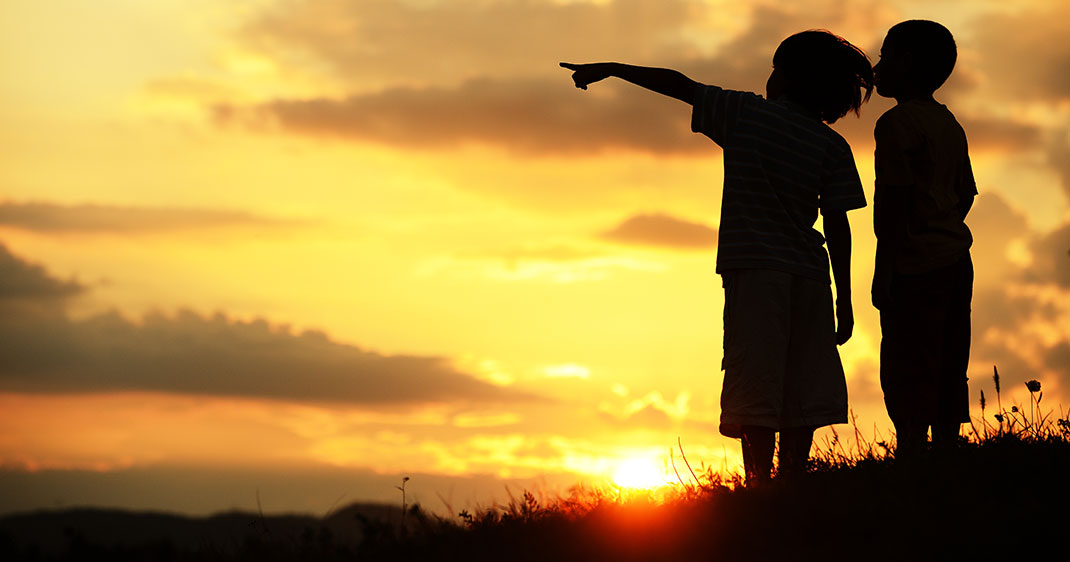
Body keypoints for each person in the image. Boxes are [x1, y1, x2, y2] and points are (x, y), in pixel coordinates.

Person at [561, 29, 873, 484]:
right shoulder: (832, 146)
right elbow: (838, 227)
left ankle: (759, 484)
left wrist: (613, 69)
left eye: (775, 68)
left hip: (756, 272)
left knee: (756, 377)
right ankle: (793, 481)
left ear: (790, 77)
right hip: (810, 276)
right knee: (804, 384)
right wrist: (845, 298)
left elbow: (679, 85)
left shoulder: (746, 114)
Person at [870, 20, 976, 457]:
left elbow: (893, 204)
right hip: (956, 259)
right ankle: (947, 448)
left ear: (907, 62)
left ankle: (911, 451)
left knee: (906, 360)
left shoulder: (896, 123)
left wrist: (884, 270)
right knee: (950, 356)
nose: (876, 67)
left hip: (913, 265)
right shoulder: (948, 123)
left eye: (885, 56)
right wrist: (941, 225)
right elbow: (965, 193)